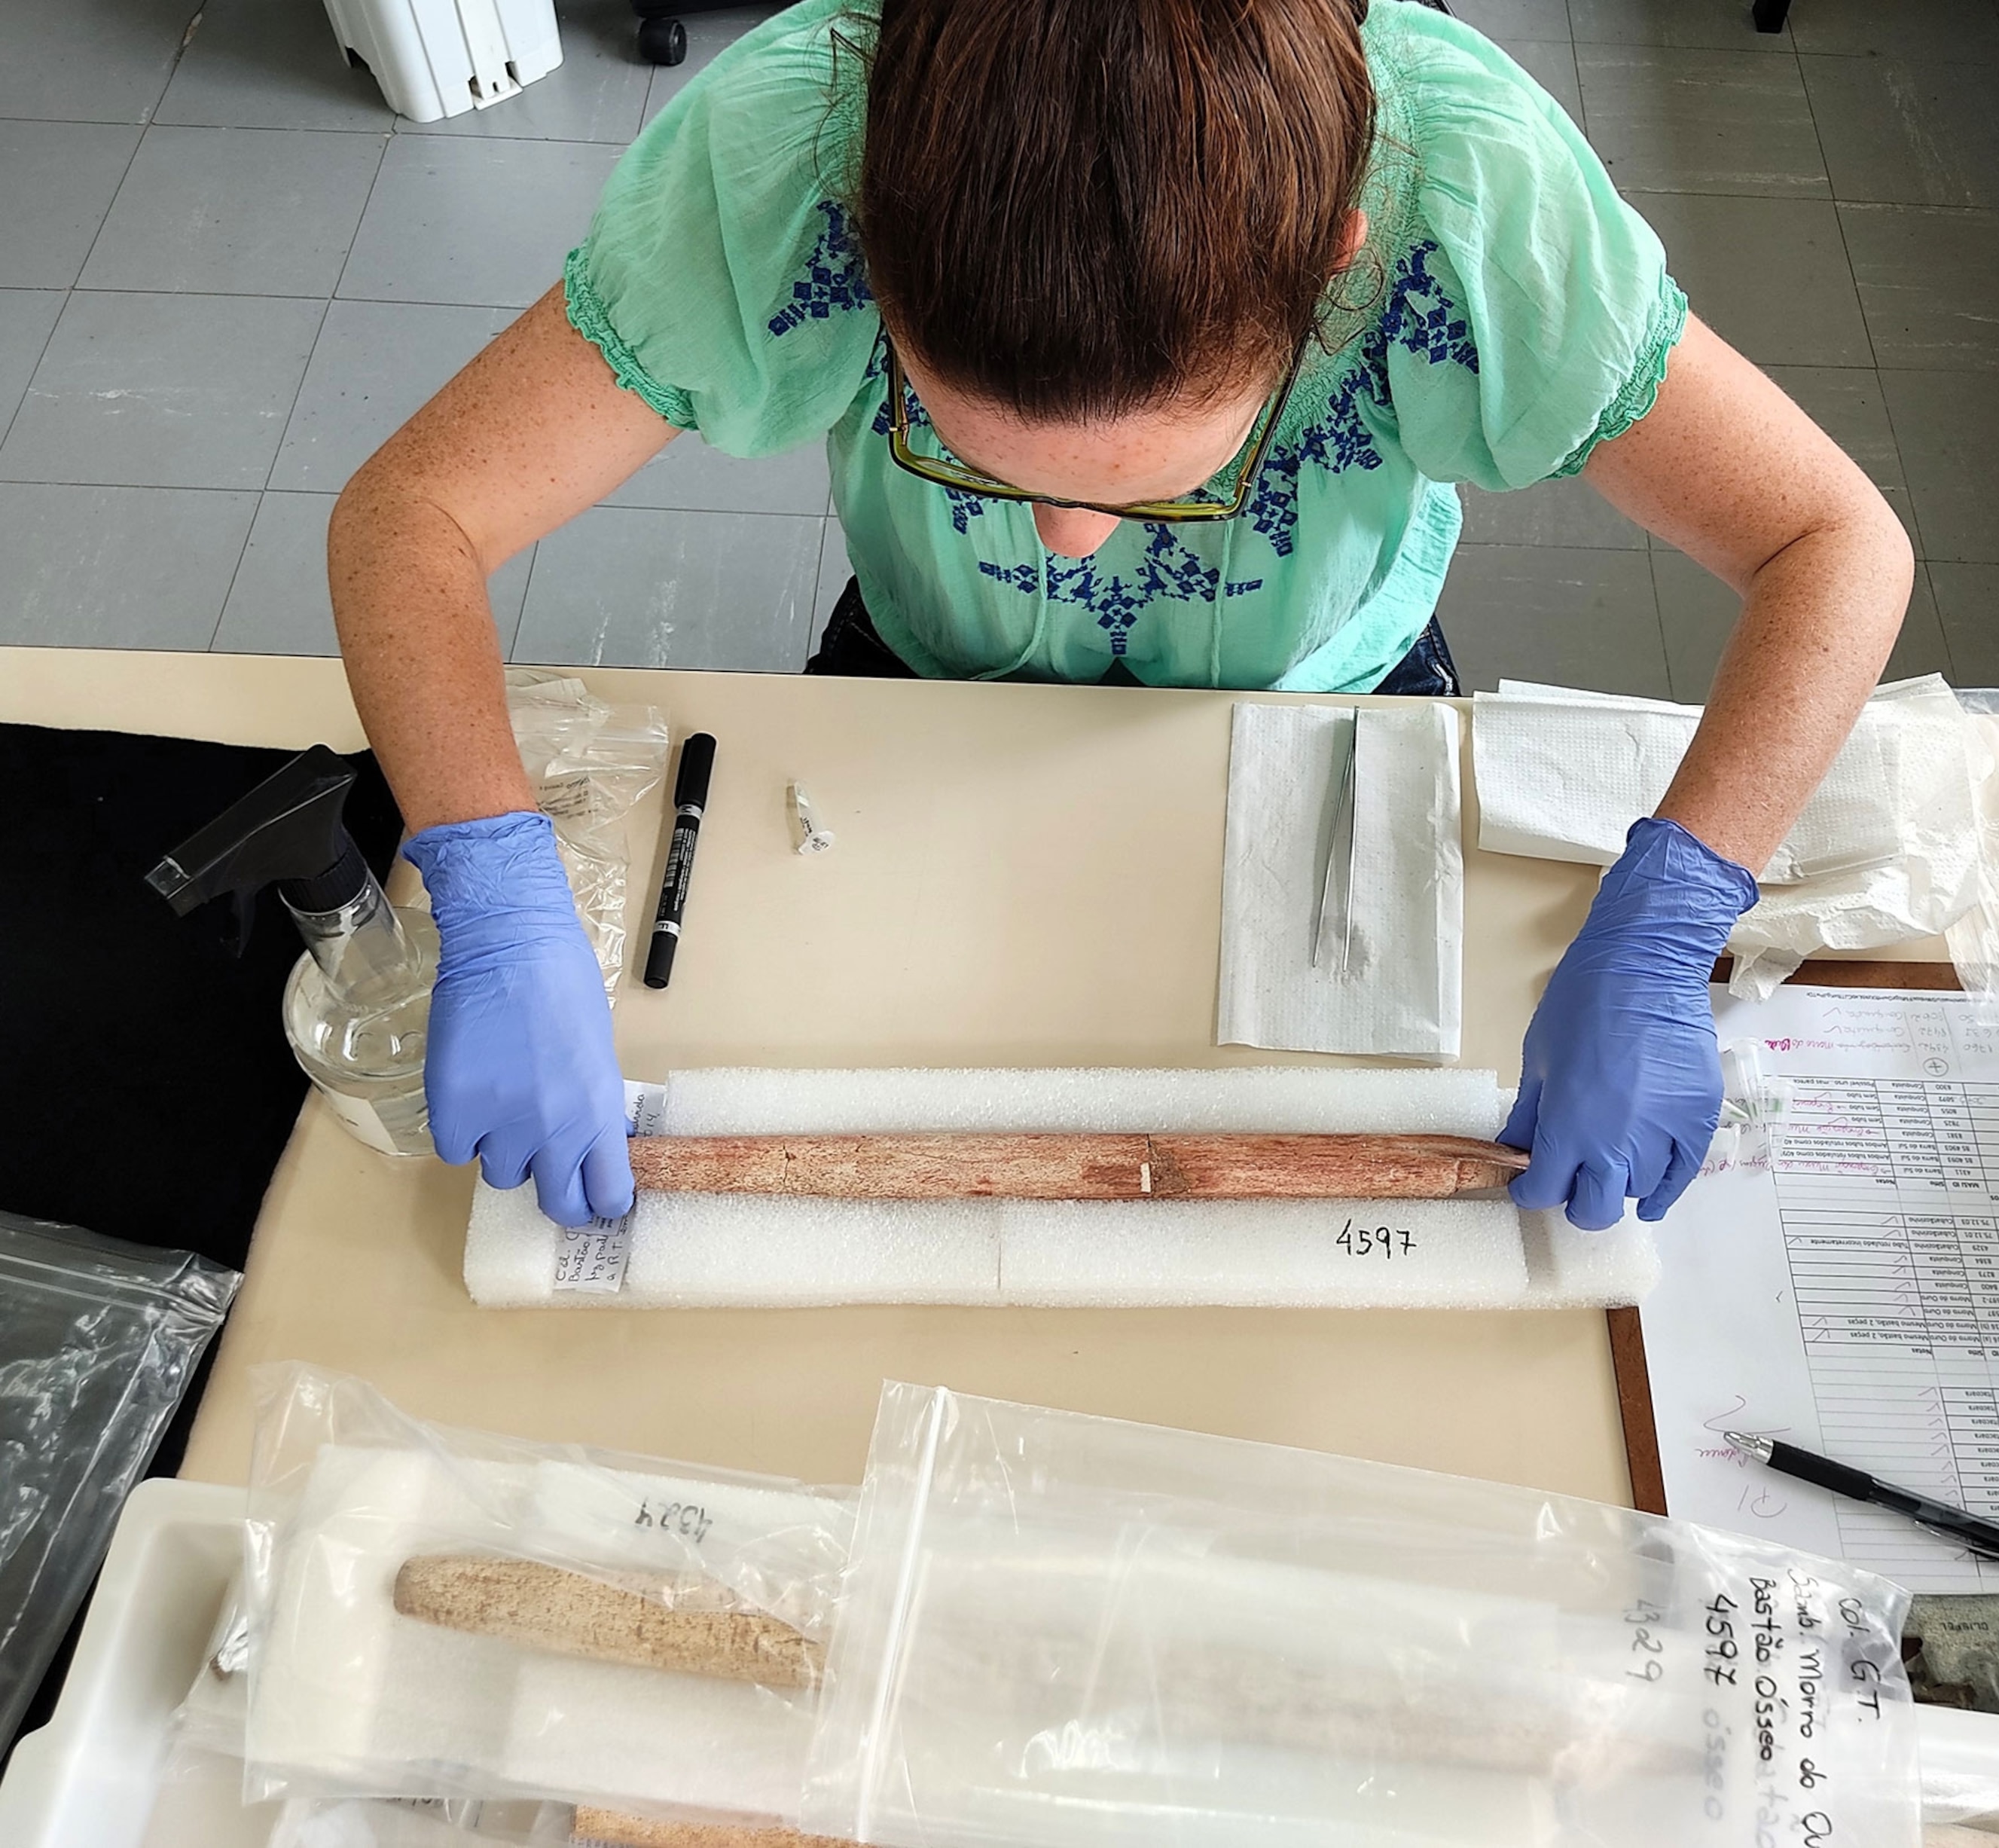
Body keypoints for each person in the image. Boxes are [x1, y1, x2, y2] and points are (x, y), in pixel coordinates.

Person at [331, 0, 1913, 1233]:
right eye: (977, 454)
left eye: (1161, 484)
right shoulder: (795, 149)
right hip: (924, 680)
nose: (1078, 545)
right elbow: (412, 517)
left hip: (1334, 695)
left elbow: (1834, 540)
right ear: (864, 251)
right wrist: (491, 876)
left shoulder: (1471, 192)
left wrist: (1678, 911)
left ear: (1337, 271)